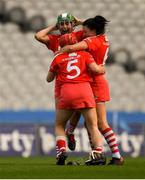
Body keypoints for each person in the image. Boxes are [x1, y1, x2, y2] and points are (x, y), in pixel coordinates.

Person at [56, 15, 124, 165]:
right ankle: (96, 154)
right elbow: (81, 35)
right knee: (88, 121)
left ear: (93, 31)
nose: (83, 33)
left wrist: (64, 50)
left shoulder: (92, 41)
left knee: (100, 123)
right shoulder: (101, 37)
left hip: (96, 83)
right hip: (89, 82)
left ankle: (116, 156)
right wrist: (81, 23)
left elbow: (74, 46)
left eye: (86, 31)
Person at [46, 33, 106, 165]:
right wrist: (102, 69)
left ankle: (61, 150)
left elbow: (48, 79)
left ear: (61, 45)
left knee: (60, 124)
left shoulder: (58, 58)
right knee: (93, 126)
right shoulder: (85, 55)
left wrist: (58, 69)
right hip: (84, 90)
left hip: (67, 91)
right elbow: (95, 69)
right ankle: (98, 152)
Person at [35, 13, 84, 151]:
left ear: (72, 24)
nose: (64, 26)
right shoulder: (55, 39)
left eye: (66, 23)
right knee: (60, 118)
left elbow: (95, 29)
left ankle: (70, 131)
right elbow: (38, 36)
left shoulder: (80, 35)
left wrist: (79, 22)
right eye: (61, 24)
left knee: (79, 110)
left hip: (79, 80)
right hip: (61, 83)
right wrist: (54, 27)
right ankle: (61, 150)